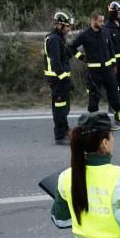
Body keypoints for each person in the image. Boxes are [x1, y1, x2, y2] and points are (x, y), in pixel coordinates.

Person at [71, 10, 120, 128]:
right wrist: (81, 57)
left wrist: (114, 65)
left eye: (103, 20)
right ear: (93, 20)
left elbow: (111, 49)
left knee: (114, 94)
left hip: (108, 70)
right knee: (94, 97)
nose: (102, 23)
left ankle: (119, 116)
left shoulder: (105, 32)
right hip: (94, 72)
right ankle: (94, 120)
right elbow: (71, 47)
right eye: (100, 21)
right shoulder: (85, 35)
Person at [44, 11, 75, 144]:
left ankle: (65, 129)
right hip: (57, 80)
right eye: (67, 26)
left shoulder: (59, 38)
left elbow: (66, 54)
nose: (69, 29)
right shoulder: (54, 39)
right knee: (59, 108)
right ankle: (60, 136)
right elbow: (56, 63)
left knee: (65, 107)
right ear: (59, 25)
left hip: (61, 79)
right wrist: (65, 79)